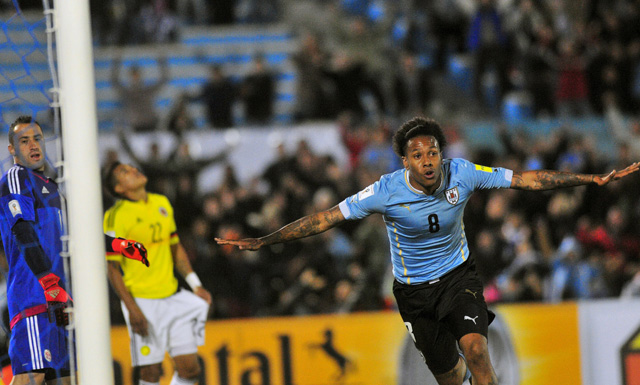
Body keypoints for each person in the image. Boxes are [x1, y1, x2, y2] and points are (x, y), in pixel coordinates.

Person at [216, 116, 640, 385]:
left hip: (459, 276)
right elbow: (326, 218)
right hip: (414, 292)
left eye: (433, 150)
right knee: (450, 377)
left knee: (476, 349)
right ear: (405, 162)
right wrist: (265, 240)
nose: (428, 159)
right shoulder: (384, 191)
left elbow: (528, 180)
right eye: (418, 154)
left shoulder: (464, 172)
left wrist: (591, 179)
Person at [0, 116, 148, 385]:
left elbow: (80, 233)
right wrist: (47, 280)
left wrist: (120, 245)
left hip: (61, 299)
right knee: (31, 376)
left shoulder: (53, 189)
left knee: (66, 379)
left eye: (37, 138)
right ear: (12, 150)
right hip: (34, 294)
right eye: (24, 141)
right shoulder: (15, 178)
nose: (33, 145)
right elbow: (22, 231)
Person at [103, 161, 212, 385]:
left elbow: (175, 246)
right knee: (151, 373)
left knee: (190, 370)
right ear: (119, 189)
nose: (133, 170)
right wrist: (132, 309)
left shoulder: (161, 203)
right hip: (142, 301)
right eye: (124, 172)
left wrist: (195, 283)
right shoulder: (116, 216)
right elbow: (112, 268)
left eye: (130, 167)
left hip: (172, 296)